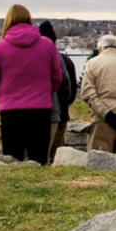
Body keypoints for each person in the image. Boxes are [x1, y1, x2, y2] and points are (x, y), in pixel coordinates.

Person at [0, 4, 61, 165]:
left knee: (12, 158)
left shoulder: (0, 47)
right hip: (40, 108)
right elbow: (57, 77)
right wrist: (45, 92)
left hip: (10, 109)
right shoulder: (47, 45)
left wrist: (0, 97)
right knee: (38, 158)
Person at [39, 21, 72, 164]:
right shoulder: (66, 60)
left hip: (45, 110)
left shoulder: (42, 57)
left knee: (42, 155)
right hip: (61, 112)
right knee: (56, 155)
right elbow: (68, 87)